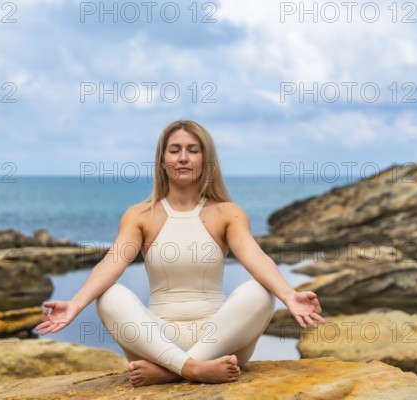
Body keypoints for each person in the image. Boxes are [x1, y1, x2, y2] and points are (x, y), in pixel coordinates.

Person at [36, 120, 325, 387]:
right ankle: (193, 369)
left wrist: (289, 295)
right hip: (158, 339)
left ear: (204, 160)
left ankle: (169, 371)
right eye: (174, 150)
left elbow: (255, 256)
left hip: (219, 338)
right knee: (109, 295)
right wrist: (75, 304)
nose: (183, 157)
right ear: (162, 161)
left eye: (192, 150)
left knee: (261, 292)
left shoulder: (227, 213)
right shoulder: (140, 215)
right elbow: (112, 261)